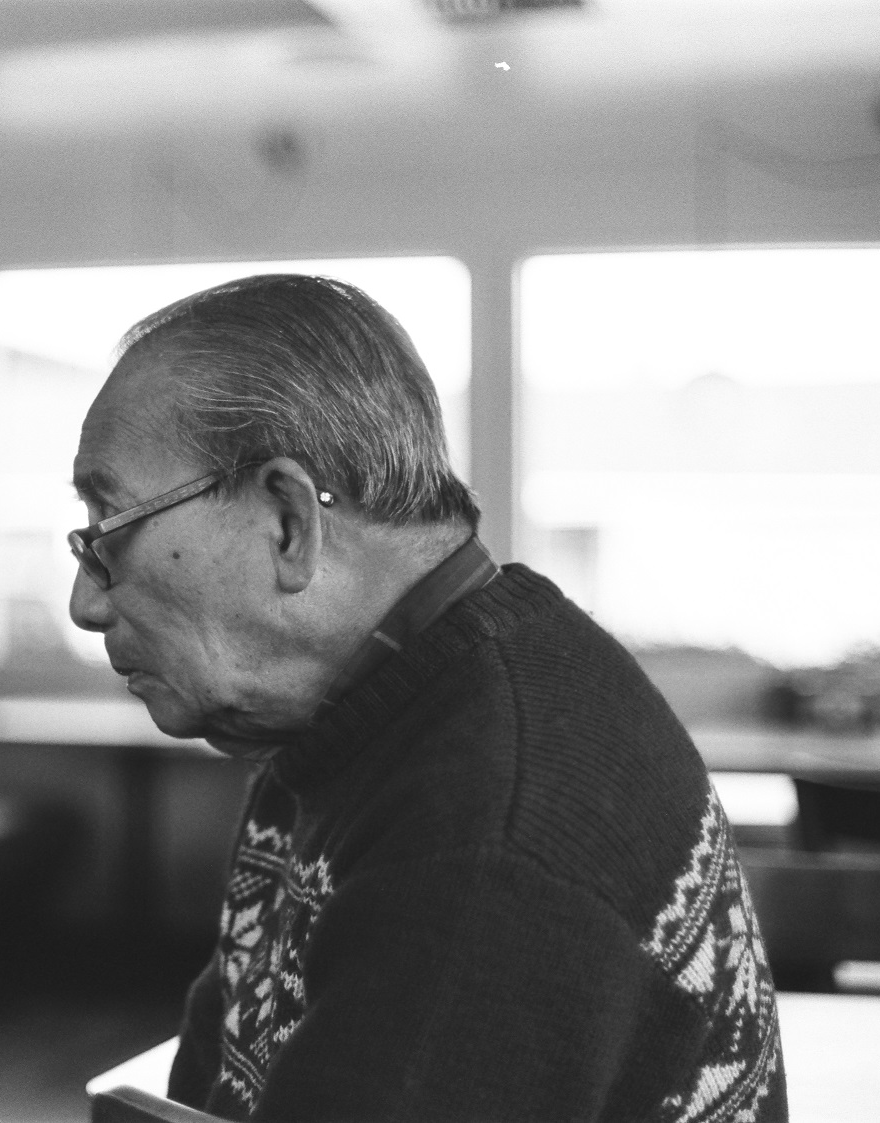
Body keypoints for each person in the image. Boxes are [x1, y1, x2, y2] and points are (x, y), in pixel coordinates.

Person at [67, 274, 785, 1122]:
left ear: (288, 521)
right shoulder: (353, 713)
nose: (86, 601)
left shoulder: (486, 844)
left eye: (108, 529)